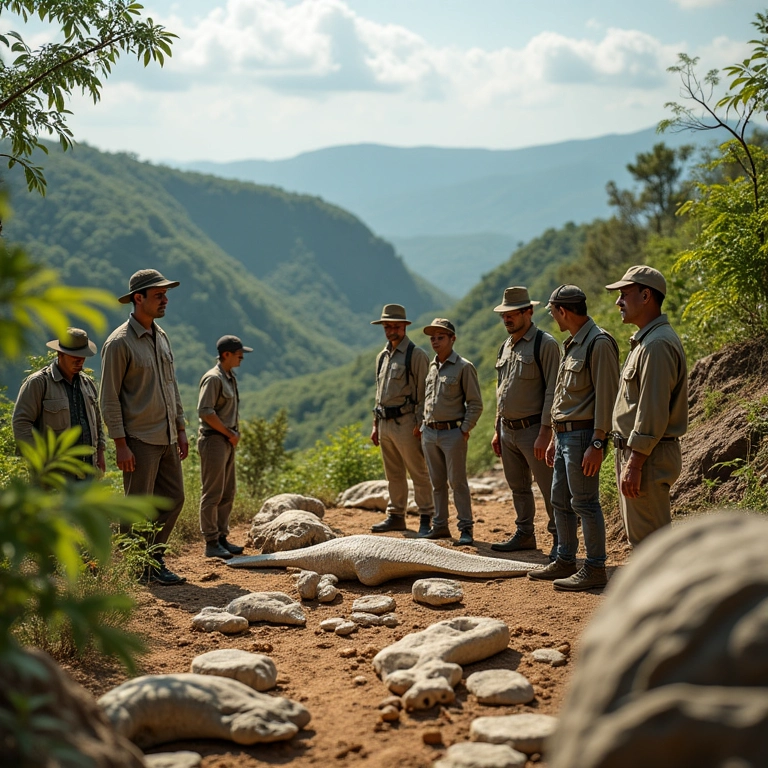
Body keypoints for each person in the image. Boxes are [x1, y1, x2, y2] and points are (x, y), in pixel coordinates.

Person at [100, 269, 188, 586]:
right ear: (139, 299)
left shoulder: (160, 336)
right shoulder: (119, 343)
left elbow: (171, 386)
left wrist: (180, 428)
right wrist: (120, 443)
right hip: (139, 439)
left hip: (165, 436)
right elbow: (108, 398)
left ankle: (152, 558)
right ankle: (138, 567)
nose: (165, 300)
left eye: (165, 294)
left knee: (175, 497)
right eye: (158, 295)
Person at [529, 285, 619, 591]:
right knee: (560, 500)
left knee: (585, 503)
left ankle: (595, 568)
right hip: (566, 437)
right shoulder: (573, 344)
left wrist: (598, 443)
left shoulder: (599, 343)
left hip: (583, 437)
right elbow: (564, 399)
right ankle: (565, 559)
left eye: (553, 312)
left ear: (562, 311)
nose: (553, 317)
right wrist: (555, 435)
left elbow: (607, 397)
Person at [606, 265, 688, 546]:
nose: (618, 302)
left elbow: (652, 410)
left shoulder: (656, 345)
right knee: (644, 540)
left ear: (646, 296)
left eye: (624, 294)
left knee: (651, 546)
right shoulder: (646, 341)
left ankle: (668, 592)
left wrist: (635, 462)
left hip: (646, 457)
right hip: (641, 455)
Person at [489, 287, 560, 560]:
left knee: (549, 488)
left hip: (534, 430)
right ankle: (525, 534)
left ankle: (560, 540)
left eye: (512, 314)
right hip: (508, 431)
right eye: (504, 314)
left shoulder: (545, 344)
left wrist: (546, 432)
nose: (507, 319)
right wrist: (497, 429)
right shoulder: (504, 346)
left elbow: (553, 391)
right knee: (517, 486)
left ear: (528, 312)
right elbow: (501, 390)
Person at [370, 304, 434, 535]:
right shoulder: (382, 356)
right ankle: (396, 515)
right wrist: (375, 425)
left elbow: (424, 393)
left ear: (405, 327)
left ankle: (427, 516)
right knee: (393, 473)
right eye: (387, 326)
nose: (391, 330)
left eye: (395, 326)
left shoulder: (416, 355)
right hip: (385, 422)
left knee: (418, 471)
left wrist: (420, 423)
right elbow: (379, 393)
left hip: (407, 422)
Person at [419, 318, 483, 547]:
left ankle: (465, 528)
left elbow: (475, 403)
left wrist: (464, 430)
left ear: (452, 339)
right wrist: (422, 426)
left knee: (458, 482)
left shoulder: (464, 367)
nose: (435, 341)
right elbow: (426, 400)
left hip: (451, 434)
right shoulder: (432, 367)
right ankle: (440, 526)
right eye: (432, 337)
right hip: (429, 433)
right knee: (436, 483)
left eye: (441, 337)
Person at [12, 328, 106, 475]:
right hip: (54, 473)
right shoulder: (39, 383)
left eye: (83, 356)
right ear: (60, 354)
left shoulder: (88, 384)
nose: (79, 361)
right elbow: (21, 423)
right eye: (74, 356)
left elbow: (97, 421)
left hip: (87, 469)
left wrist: (100, 453)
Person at [198, 335, 252, 559]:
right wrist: (229, 433)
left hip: (227, 441)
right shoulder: (213, 379)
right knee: (212, 493)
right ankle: (211, 542)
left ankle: (221, 537)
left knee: (228, 491)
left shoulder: (230, 377)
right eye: (239, 353)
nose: (242, 357)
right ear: (226, 354)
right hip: (214, 440)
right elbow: (205, 412)